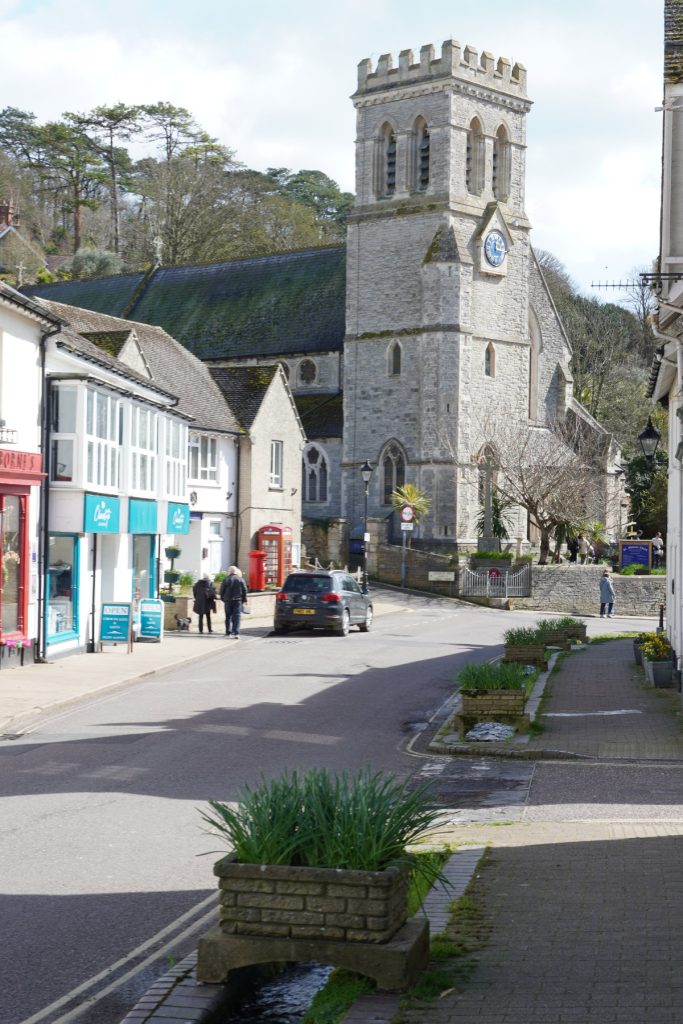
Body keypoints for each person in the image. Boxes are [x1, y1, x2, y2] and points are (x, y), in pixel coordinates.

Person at [220, 565, 248, 638]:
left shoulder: (226, 579)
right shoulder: (241, 579)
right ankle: (236, 633)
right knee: (237, 617)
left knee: (228, 617)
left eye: (228, 571)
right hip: (238, 601)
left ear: (230, 572)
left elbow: (221, 591)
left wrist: (223, 599)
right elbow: (245, 590)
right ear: (235, 572)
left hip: (228, 601)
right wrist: (244, 600)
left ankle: (228, 633)